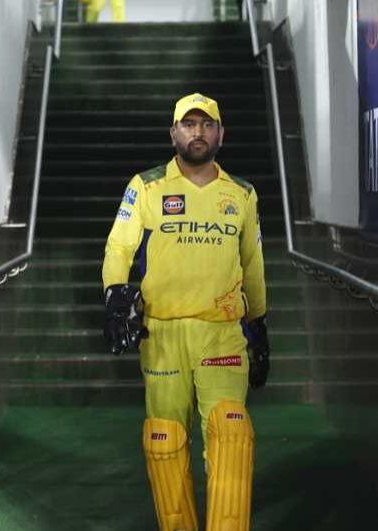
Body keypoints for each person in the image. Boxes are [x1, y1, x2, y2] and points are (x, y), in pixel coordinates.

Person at [102, 93, 270, 531]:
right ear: (173, 133)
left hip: (222, 333)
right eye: (189, 124)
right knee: (165, 441)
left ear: (221, 134)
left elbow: (252, 262)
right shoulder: (147, 186)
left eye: (207, 124)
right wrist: (115, 294)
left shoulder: (241, 193)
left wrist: (258, 323)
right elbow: (119, 245)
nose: (199, 132)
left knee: (231, 434)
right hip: (162, 334)